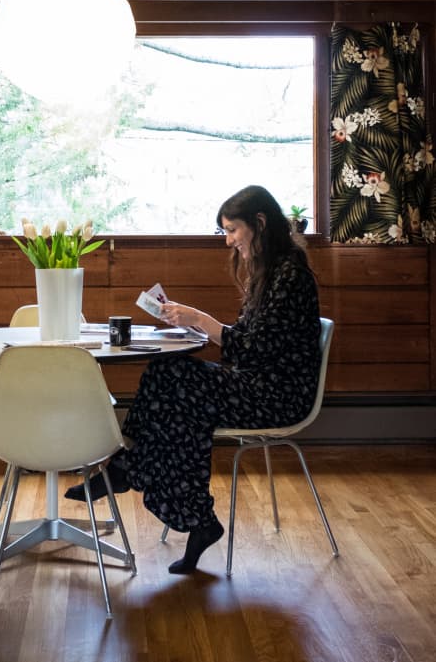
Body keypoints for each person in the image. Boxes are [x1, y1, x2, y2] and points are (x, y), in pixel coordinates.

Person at [65, 185, 322, 575]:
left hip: (278, 396)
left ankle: (130, 472)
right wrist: (194, 327)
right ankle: (147, 483)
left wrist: (202, 321)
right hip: (256, 384)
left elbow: (254, 350)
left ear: (260, 223)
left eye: (232, 230)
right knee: (166, 370)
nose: (229, 241)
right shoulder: (270, 272)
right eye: (226, 232)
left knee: (182, 386)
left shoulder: (291, 276)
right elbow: (252, 340)